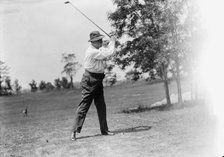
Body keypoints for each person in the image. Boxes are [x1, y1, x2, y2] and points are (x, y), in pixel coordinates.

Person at [71, 31, 116, 141]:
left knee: (101, 105)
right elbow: (109, 53)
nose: (101, 41)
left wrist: (107, 43)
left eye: (101, 39)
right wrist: (112, 42)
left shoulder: (96, 48)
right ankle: (74, 131)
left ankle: (104, 130)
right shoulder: (92, 52)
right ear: (93, 42)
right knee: (84, 105)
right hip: (90, 79)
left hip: (98, 78)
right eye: (99, 40)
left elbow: (103, 49)